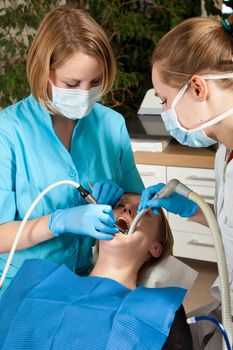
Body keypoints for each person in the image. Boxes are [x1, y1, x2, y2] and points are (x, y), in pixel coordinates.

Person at [0, 5, 144, 296]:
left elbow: (137, 198)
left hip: (92, 280)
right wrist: (58, 221)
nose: (84, 93)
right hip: (25, 289)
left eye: (95, 82)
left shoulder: (110, 125)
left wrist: (121, 198)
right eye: (72, 83)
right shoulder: (8, 131)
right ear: (45, 71)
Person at [138, 12, 233, 349]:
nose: (164, 112)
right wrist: (195, 210)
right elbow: (229, 226)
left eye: (163, 99)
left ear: (197, 87)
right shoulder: (224, 152)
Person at [0, 193, 193, 350]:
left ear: (155, 248)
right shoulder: (37, 281)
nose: (127, 209)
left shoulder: (161, 310)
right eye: (120, 204)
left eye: (145, 212)